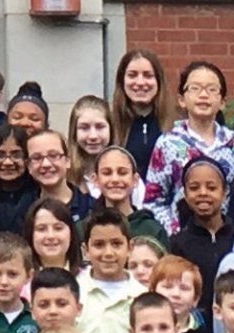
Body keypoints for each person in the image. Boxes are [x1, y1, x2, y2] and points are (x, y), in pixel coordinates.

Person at [145, 62, 233, 234]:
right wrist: (174, 232)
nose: (203, 95)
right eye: (195, 88)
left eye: (212, 89)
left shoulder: (231, 144)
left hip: (226, 238)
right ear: (182, 100)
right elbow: (153, 201)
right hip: (181, 238)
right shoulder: (168, 143)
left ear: (222, 102)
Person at [75, 209, 144, 333]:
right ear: (85, 251)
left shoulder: (143, 295)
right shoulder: (73, 293)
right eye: (99, 245)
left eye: (116, 244)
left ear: (130, 248)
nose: (108, 253)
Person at [168, 158, 232, 311]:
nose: (203, 193)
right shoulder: (177, 244)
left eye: (211, 188)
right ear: (185, 193)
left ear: (224, 192)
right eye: (194, 188)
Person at [111, 51, 175, 174]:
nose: (140, 82)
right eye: (132, 75)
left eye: (148, 75)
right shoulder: (109, 124)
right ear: (122, 81)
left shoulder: (177, 124)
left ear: (158, 81)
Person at [94, 146, 166, 248]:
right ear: (96, 180)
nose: (115, 179)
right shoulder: (83, 228)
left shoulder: (152, 230)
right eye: (107, 173)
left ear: (135, 180)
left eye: (123, 173)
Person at [26, 130, 95, 223]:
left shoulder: (91, 208)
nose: (46, 164)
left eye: (53, 155)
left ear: (67, 161)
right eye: (37, 158)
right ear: (29, 166)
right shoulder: (22, 210)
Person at [0, 124, 40, 233]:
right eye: (0, 155)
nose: (8, 162)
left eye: (16, 155)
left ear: (27, 158)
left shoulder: (39, 194)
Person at [69, 97, 113, 197]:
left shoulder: (125, 173)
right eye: (84, 128)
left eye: (100, 127)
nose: (93, 136)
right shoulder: (65, 176)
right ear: (74, 132)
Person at [24, 199, 81, 274]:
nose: (50, 236)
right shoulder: (21, 278)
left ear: (71, 233)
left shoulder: (88, 276)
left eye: (58, 228)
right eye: (41, 229)